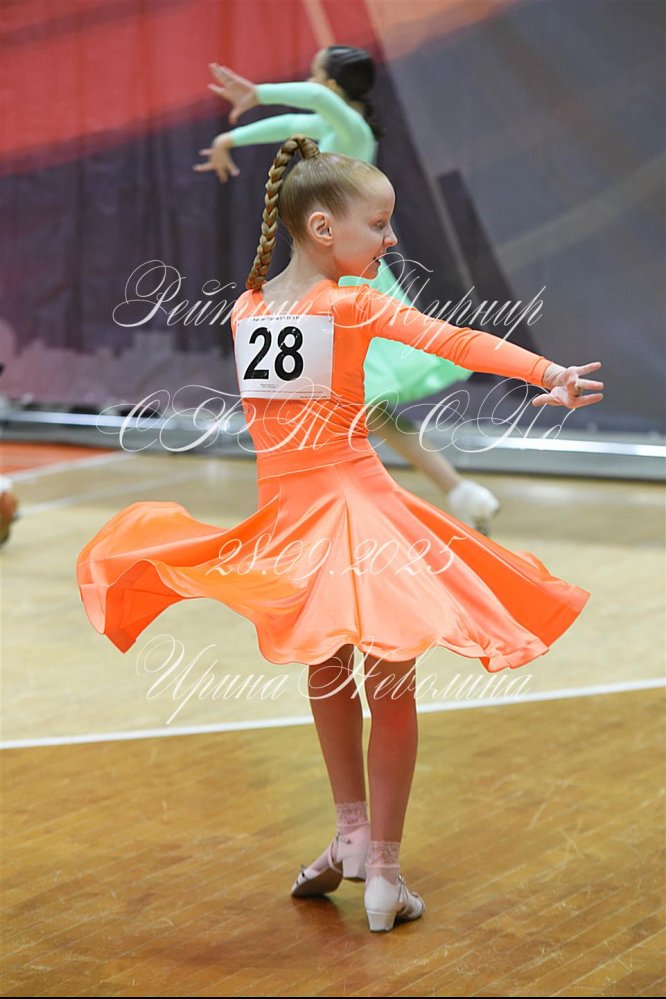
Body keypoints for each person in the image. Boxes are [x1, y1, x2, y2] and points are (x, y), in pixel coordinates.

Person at [77, 137, 603, 932]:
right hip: (358, 513)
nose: (390, 240)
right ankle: (381, 868)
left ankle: (352, 835)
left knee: (328, 668)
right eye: (380, 224)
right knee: (390, 682)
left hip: (293, 519)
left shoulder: (248, 309)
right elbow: (453, 340)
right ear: (324, 228)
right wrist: (549, 373)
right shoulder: (351, 304)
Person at [194, 48, 502, 535]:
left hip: (347, 282)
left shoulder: (353, 131)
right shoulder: (335, 130)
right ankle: (454, 493)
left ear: (334, 85)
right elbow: (295, 122)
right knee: (361, 405)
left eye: (316, 73)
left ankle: (376, 507)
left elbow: (313, 103)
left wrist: (258, 94)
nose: (311, 80)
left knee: (351, 402)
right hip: (336, 278)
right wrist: (229, 138)